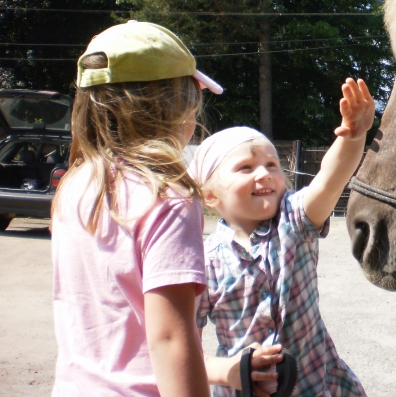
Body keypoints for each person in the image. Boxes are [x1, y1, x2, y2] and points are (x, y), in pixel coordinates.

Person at [50, 20, 277, 396]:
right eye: (192, 100)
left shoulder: (76, 185)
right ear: (172, 105)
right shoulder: (167, 197)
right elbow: (170, 340)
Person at [190, 78, 374, 397]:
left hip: (316, 385)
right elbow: (184, 345)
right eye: (246, 168)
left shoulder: (294, 220)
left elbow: (330, 179)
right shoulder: (203, 261)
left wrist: (353, 136)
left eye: (272, 165)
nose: (264, 173)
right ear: (210, 195)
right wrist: (229, 371)